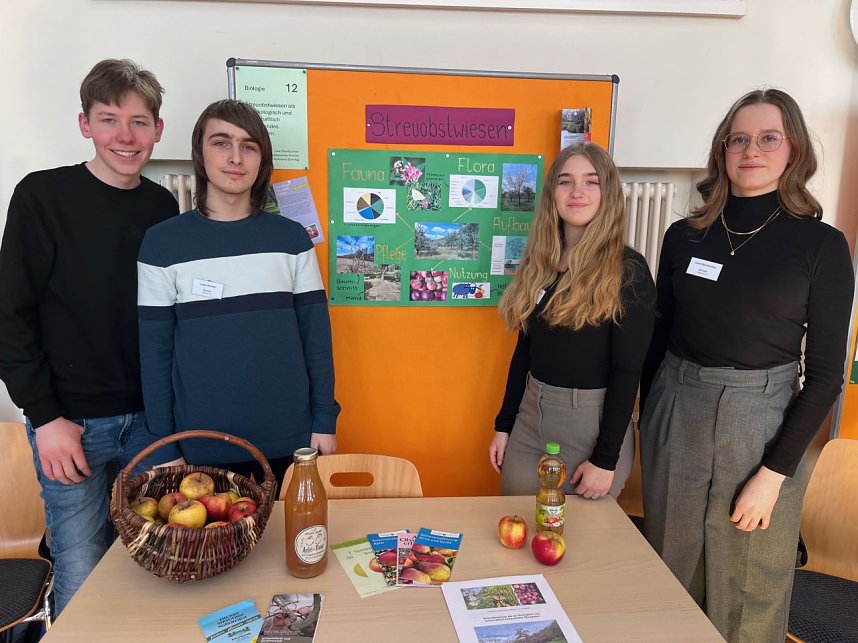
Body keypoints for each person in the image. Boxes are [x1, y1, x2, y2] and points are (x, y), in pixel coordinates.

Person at [639, 89, 854, 643]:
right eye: (738, 138)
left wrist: (773, 474)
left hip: (762, 422)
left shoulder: (822, 246)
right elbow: (658, 337)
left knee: (750, 582)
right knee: (671, 565)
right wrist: (647, 419)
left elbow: (827, 373)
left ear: (794, 151)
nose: (751, 150)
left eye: (768, 138)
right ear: (722, 151)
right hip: (678, 407)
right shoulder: (683, 237)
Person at [0, 59, 181, 616]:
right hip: (70, 423)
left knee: (159, 562)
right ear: (85, 124)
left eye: (139, 122)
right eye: (109, 120)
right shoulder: (41, 197)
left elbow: (163, 319)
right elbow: (10, 314)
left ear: (158, 129)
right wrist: (46, 417)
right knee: (81, 570)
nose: (125, 137)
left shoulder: (161, 206)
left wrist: (171, 420)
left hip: (149, 421)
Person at [137, 99, 339, 491]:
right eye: (221, 142)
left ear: (262, 159)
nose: (235, 158)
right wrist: (164, 444)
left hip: (292, 440)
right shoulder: (162, 244)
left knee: (294, 548)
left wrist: (325, 420)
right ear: (200, 152)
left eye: (248, 146)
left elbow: (316, 337)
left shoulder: (292, 239)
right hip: (200, 447)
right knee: (217, 553)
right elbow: (155, 353)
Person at [489, 142, 655, 498]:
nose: (577, 192)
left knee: (580, 545)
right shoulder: (541, 262)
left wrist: (605, 459)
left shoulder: (628, 270)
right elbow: (524, 352)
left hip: (590, 429)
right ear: (552, 194)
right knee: (516, 531)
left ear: (607, 193)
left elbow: (628, 372)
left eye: (591, 182)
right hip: (532, 418)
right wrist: (504, 425)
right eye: (566, 182)